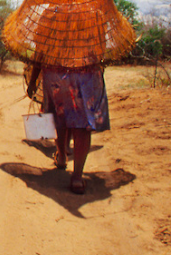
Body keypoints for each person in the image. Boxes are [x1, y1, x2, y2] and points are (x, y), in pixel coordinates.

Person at [26, 63, 109, 194]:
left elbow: (41, 53)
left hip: (55, 72)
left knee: (59, 115)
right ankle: (77, 177)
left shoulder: (50, 41)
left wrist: (33, 81)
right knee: (82, 123)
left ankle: (62, 157)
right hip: (85, 72)